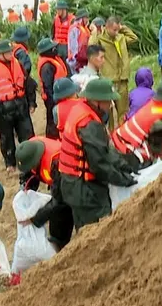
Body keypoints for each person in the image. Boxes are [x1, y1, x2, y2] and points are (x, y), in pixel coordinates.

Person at [57, 79, 136, 230]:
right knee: (93, 229)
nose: (111, 105)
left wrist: (124, 166)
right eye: (108, 101)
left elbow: (104, 151)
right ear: (97, 101)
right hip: (82, 189)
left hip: (71, 183)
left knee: (83, 227)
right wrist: (124, 180)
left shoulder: (81, 109)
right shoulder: (89, 124)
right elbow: (99, 165)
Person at [112, 79, 162, 168]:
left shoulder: (159, 107)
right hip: (127, 151)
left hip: (122, 143)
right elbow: (156, 148)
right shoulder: (161, 120)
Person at [0, 40, 37, 171]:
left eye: (10, 51)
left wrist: (31, 102)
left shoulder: (18, 64)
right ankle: (10, 163)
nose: (10, 54)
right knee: (6, 138)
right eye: (7, 52)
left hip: (21, 105)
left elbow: (28, 83)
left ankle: (30, 159)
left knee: (27, 134)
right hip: (4, 109)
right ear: (0, 54)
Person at [15, 137, 73, 250]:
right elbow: (28, 175)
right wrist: (25, 191)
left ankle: (60, 243)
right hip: (58, 182)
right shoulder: (28, 148)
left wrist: (35, 219)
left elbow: (58, 200)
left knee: (63, 211)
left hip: (73, 182)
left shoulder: (55, 162)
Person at [93, 16, 138, 126]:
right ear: (107, 28)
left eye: (117, 29)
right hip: (109, 79)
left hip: (122, 78)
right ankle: (112, 135)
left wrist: (123, 28)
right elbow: (91, 46)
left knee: (123, 110)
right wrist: (95, 31)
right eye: (114, 29)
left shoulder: (121, 37)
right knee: (109, 111)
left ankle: (123, 133)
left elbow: (134, 38)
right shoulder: (100, 39)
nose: (116, 32)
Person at [36, 38, 69, 139]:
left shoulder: (55, 60)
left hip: (60, 96)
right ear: (47, 51)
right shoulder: (47, 66)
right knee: (52, 121)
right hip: (53, 99)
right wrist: (54, 102)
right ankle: (52, 139)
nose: (56, 48)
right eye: (53, 47)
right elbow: (48, 87)